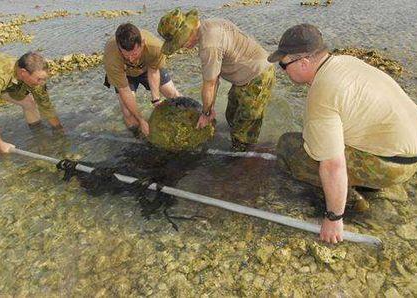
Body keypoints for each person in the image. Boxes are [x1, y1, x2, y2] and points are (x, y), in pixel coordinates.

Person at [269, 24, 417, 244]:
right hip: (409, 155)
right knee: (321, 136)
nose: (283, 71)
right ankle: (369, 184)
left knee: (289, 145)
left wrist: (333, 217)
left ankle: (353, 202)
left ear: (304, 62)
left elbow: (332, 165)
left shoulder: (322, 92)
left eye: (283, 65)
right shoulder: (346, 62)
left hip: (391, 168)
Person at [157, 9, 275, 151]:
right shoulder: (209, 25)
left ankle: (246, 160)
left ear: (188, 31)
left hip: (257, 77)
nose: (181, 46)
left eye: (180, 42)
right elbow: (215, 77)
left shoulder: (208, 45)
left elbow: (210, 83)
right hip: (244, 76)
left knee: (243, 135)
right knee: (231, 117)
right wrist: (211, 107)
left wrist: (206, 114)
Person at [0, 51, 62, 163]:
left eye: (44, 79)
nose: (42, 83)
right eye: (39, 79)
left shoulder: (35, 76)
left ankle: (38, 135)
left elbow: (45, 104)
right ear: (23, 73)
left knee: (29, 103)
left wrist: (59, 130)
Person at [103, 23, 181, 137]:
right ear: (119, 48)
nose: (131, 59)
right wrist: (141, 120)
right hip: (125, 74)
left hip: (147, 68)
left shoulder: (155, 47)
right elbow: (124, 90)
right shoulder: (111, 56)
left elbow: (153, 71)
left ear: (142, 43)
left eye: (134, 54)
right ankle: (139, 138)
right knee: (128, 112)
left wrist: (156, 99)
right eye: (126, 55)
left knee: (173, 94)